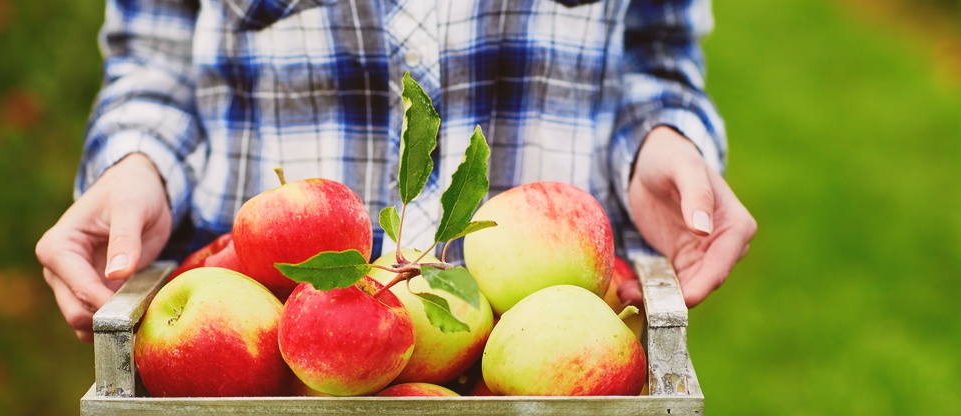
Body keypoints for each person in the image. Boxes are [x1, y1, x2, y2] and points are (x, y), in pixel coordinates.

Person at [37, 0, 757, 343]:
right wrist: (141, 164)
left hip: (555, 379)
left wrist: (656, 139)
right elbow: (155, 61)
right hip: (261, 376)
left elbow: (654, 52)